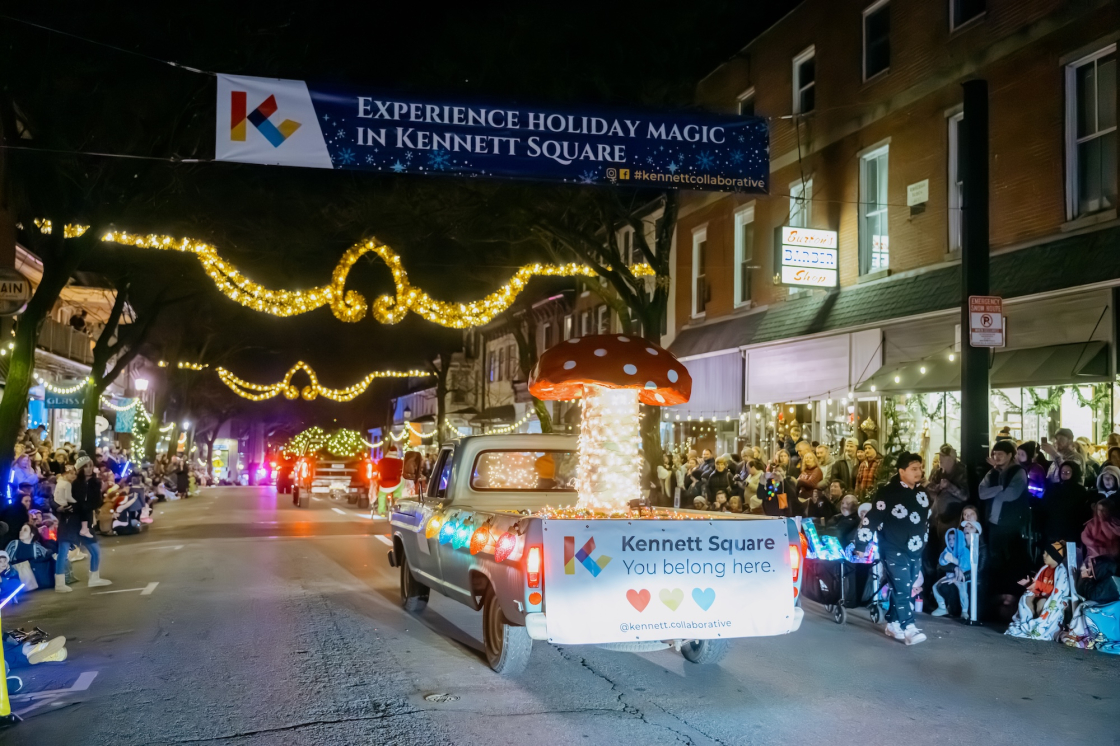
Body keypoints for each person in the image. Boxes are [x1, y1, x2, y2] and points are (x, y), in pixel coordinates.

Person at [853, 451, 931, 645]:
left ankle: (893, 623)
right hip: (892, 546)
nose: (919, 472)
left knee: (906, 586)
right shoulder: (887, 492)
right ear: (901, 471)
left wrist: (924, 540)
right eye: (914, 469)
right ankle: (909, 627)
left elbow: (925, 520)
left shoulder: (922, 492)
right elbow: (872, 518)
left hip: (915, 548)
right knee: (902, 586)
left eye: (920, 468)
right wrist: (861, 544)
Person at [978, 440, 1032, 614]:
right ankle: (996, 600)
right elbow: (982, 492)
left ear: (1010, 455)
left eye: (1000, 454)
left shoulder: (1019, 472)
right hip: (994, 524)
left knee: (1012, 562)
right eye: (995, 454)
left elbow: (1011, 494)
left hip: (1012, 525)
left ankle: (1011, 600)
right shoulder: (992, 472)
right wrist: (1000, 487)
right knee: (995, 562)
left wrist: (995, 491)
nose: (997, 457)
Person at [54, 456, 111, 591]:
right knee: (63, 551)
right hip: (69, 520)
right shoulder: (72, 482)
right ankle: (60, 583)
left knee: (95, 551)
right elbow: (56, 498)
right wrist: (59, 508)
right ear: (79, 469)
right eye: (85, 466)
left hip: (84, 521)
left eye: (90, 465)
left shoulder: (95, 482)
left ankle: (94, 578)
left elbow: (95, 502)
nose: (88, 469)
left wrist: (80, 507)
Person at [1035, 461, 1091, 547]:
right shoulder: (1053, 487)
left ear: (1074, 473)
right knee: (1053, 554)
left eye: (1068, 472)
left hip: (1071, 533)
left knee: (1069, 554)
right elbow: (1044, 506)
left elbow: (1081, 512)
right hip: (1053, 531)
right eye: (1062, 472)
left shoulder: (1080, 491)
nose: (1064, 474)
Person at [931, 527, 972, 618]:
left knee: (963, 592)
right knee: (935, 586)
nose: (951, 541)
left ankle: (964, 611)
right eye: (949, 539)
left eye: (954, 538)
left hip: (961, 577)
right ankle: (942, 607)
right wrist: (946, 558)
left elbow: (966, 565)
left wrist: (953, 560)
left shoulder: (964, 551)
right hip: (949, 576)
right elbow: (941, 562)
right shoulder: (948, 550)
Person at [926, 444, 968, 529]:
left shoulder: (962, 471)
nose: (940, 459)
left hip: (953, 516)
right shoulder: (938, 471)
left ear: (951, 459)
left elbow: (965, 496)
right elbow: (929, 489)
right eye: (940, 455)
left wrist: (949, 486)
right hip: (937, 515)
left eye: (943, 456)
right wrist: (938, 487)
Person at [1082, 498, 1120, 562]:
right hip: (1096, 554)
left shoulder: (1115, 522)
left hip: (1113, 555)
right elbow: (1084, 536)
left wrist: (1109, 525)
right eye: (1099, 510)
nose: (1101, 512)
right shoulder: (1091, 523)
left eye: (1104, 510)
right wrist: (1092, 542)